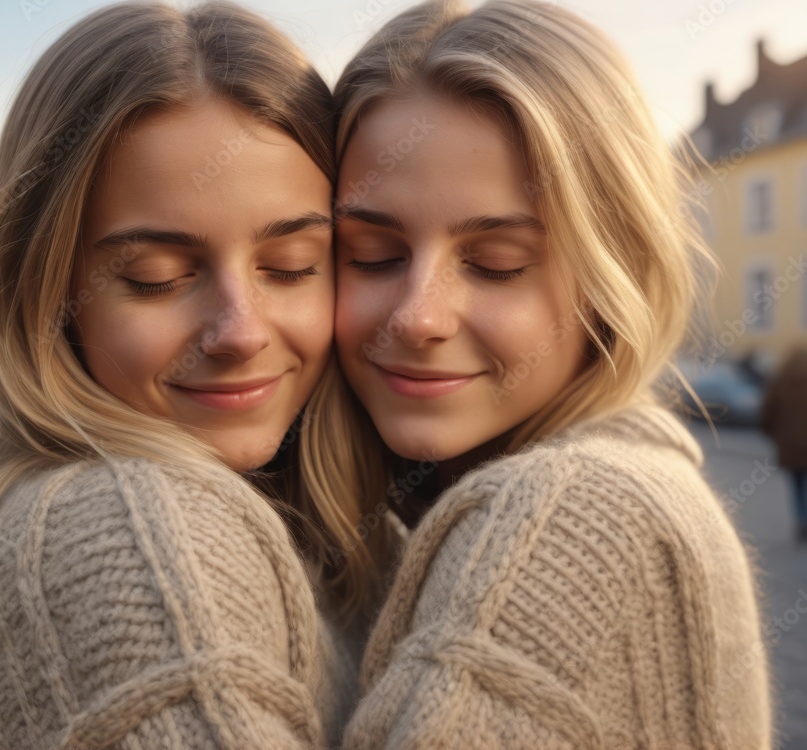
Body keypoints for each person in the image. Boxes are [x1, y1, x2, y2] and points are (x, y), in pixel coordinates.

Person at [0, 3, 400, 749]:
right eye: (156, 277)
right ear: (46, 295)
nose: (241, 331)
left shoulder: (328, 518)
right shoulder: (136, 541)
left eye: (291, 266)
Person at [330, 1, 774, 747]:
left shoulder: (569, 517)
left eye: (497, 264)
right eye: (372, 254)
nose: (418, 316)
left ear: (612, 279)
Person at [761, 347, 807, 541]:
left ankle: (801, 520)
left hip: (791, 449)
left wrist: (776, 435)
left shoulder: (780, 382)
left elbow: (766, 415)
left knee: (797, 486)